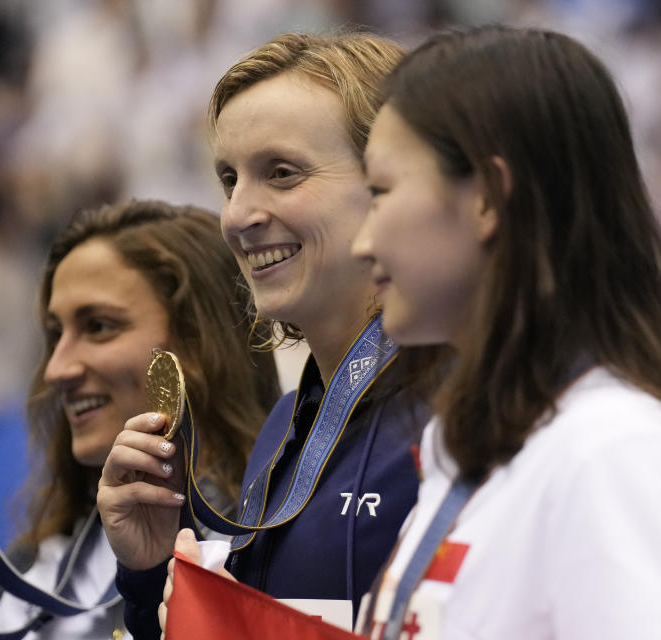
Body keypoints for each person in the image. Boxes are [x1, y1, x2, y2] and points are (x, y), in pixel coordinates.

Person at [349, 25, 661, 639]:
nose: (361, 242)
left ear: (490, 198)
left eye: (380, 192)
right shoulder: (475, 442)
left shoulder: (612, 449)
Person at [98, 33, 438, 639]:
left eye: (281, 173)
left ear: (390, 184)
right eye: (230, 180)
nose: (236, 215)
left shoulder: (464, 415)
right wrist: (150, 575)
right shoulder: (284, 428)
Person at [0, 200, 280, 639]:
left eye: (98, 326)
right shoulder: (26, 578)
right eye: (56, 334)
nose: (56, 370)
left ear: (197, 344)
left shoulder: (274, 549)